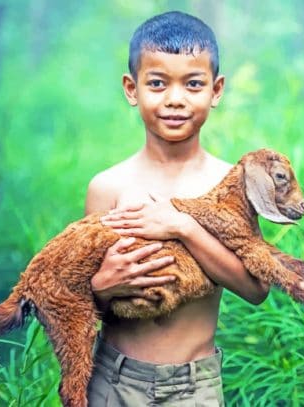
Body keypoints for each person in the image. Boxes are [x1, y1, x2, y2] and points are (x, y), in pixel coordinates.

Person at [84, 11, 269, 406]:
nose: (174, 99)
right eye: (156, 83)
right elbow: (80, 300)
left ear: (216, 90)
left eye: (193, 84)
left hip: (195, 386)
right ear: (131, 89)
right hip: (112, 380)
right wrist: (103, 288)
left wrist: (184, 227)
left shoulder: (231, 185)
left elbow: (256, 288)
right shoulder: (107, 187)